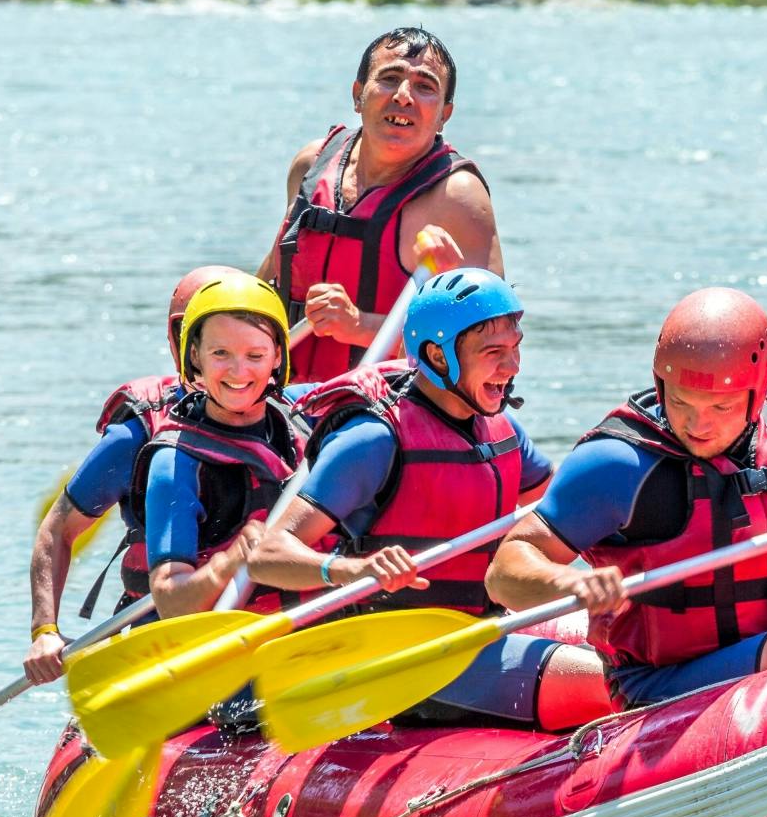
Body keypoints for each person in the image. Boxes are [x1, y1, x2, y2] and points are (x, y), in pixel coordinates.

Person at [486, 288, 767, 710]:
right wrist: (570, 585)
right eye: (682, 402)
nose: (697, 424)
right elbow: (505, 571)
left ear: (758, 392)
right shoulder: (616, 463)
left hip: (764, 648)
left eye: (720, 407)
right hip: (659, 683)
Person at [249, 263, 609, 730]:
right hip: (402, 657)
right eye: (493, 351)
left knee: (635, 643)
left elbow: (565, 510)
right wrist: (352, 570)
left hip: (478, 628)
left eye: (515, 349)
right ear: (439, 357)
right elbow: (268, 554)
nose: (512, 366)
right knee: (611, 681)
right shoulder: (374, 440)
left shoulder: (501, 428)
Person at [259, 27, 502, 384]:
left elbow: (491, 344)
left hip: (387, 410)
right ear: (358, 96)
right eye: (389, 79)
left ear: (444, 115)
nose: (403, 96)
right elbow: (270, 277)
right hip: (282, 398)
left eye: (425, 86)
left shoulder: (457, 199)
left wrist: (359, 325)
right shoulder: (312, 164)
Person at [23, 266, 224, 683]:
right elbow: (57, 530)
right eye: (218, 342)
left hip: (261, 617)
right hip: (161, 627)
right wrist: (45, 631)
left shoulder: (288, 421)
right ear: (185, 341)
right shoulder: (136, 435)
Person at [138, 271, 303, 622]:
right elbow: (170, 602)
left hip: (313, 625)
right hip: (227, 637)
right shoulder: (175, 462)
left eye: (255, 355)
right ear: (195, 356)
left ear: (278, 356)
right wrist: (229, 563)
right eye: (220, 353)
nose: (238, 371)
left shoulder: (306, 418)